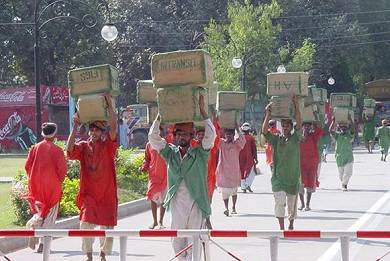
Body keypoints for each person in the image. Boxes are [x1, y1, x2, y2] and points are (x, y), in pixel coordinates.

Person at [148, 94, 216, 261]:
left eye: (185, 134)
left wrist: (202, 111)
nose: (181, 137)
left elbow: (211, 136)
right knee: (178, 244)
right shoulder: (170, 153)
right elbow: (153, 138)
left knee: (195, 245)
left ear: (192, 136)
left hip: (196, 205)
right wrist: (160, 115)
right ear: (175, 135)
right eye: (178, 134)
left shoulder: (200, 153)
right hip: (177, 205)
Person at [66, 93, 118, 261]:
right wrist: (75, 126)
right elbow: (69, 149)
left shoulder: (108, 146)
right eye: (92, 129)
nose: (94, 132)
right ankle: (88, 256)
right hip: (89, 196)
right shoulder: (82, 147)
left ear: (102, 132)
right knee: (85, 225)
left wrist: (109, 103)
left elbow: (114, 126)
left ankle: (103, 255)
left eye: (98, 129)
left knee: (108, 228)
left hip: (107, 195)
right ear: (89, 131)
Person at [25, 122, 67, 253]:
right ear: (54, 135)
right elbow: (62, 171)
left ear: (43, 134)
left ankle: (33, 227)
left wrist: (33, 178)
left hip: (36, 187)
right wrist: (57, 182)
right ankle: (43, 243)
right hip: (52, 187)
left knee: (39, 212)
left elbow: (27, 166)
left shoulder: (35, 148)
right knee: (49, 216)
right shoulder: (58, 150)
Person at [262, 95, 302, 230]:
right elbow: (264, 132)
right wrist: (268, 114)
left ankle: (291, 223)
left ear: (291, 127)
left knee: (291, 204)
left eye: (287, 126)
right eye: (283, 126)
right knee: (279, 202)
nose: (285, 128)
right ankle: (281, 228)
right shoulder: (276, 139)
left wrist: (296, 104)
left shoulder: (295, 138)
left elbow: (299, 123)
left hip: (292, 178)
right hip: (278, 178)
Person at [191, 113, 221, 229]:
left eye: (204, 135)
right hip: (194, 179)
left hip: (209, 179)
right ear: (196, 136)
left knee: (207, 202)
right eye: (199, 135)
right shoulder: (192, 145)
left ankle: (207, 220)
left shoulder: (211, 148)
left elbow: (215, 136)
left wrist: (214, 121)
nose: (202, 137)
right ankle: (199, 223)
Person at [140, 128, 168, 229]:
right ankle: (155, 221)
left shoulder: (165, 144)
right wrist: (144, 167)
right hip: (153, 176)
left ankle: (161, 221)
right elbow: (147, 159)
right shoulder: (148, 145)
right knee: (152, 197)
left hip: (165, 175)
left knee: (164, 199)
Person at [216, 125, 246, 216]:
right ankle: (226, 208)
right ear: (224, 135)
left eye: (231, 135)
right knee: (224, 192)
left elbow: (243, 139)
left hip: (234, 171)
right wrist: (218, 126)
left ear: (233, 135)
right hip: (223, 171)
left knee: (234, 191)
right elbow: (215, 137)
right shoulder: (221, 143)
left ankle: (233, 207)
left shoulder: (237, 144)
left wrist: (237, 128)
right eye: (227, 134)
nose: (229, 136)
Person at [299, 119, 323, 211]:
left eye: (309, 126)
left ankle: (308, 204)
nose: (307, 128)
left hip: (312, 165)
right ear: (302, 127)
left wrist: (315, 118)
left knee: (310, 185)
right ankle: (302, 204)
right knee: (300, 185)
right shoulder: (298, 137)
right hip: (301, 165)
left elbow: (320, 129)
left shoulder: (313, 137)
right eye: (305, 126)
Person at [329, 115, 355, 191]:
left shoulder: (349, 135)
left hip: (349, 157)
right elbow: (330, 130)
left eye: (345, 127)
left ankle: (344, 185)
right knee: (341, 175)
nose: (343, 128)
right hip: (339, 157)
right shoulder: (337, 135)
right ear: (339, 128)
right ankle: (344, 184)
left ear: (347, 129)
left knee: (348, 173)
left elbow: (353, 129)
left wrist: (351, 121)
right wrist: (333, 121)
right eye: (341, 127)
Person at [239, 122, 258, 193]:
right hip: (249, 157)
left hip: (240, 157)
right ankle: (247, 185)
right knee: (251, 172)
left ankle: (244, 187)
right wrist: (255, 158)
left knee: (242, 172)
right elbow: (254, 149)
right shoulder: (251, 138)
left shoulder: (239, 137)